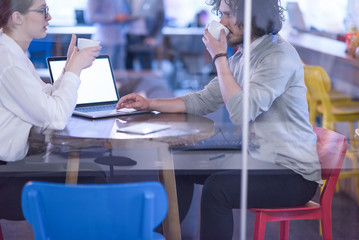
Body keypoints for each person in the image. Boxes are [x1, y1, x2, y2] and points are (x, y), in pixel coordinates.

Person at [116, 0, 321, 239]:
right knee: (181, 162)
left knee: (218, 189)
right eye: (220, 14)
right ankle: (164, 236)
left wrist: (220, 57)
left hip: (292, 174)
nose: (221, 22)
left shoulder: (276, 57)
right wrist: (149, 104)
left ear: (252, 16)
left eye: (227, 15)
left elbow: (242, 113)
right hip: (257, 157)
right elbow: (203, 100)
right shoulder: (245, 55)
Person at [0, 0, 102, 220]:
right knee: (93, 176)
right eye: (43, 11)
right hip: (4, 176)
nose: (49, 18)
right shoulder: (8, 61)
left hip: (11, 164)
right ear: (18, 18)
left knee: (90, 171)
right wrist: (74, 70)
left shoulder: (12, 52)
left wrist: (68, 67)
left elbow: (43, 97)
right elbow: (55, 118)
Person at [86, 0, 131, 70]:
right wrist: (114, 17)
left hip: (120, 39)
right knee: (104, 71)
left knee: (119, 74)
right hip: (104, 41)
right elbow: (90, 17)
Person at [125, 0, 165, 70]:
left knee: (146, 68)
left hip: (146, 37)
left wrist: (154, 37)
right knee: (127, 68)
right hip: (127, 35)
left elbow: (161, 18)